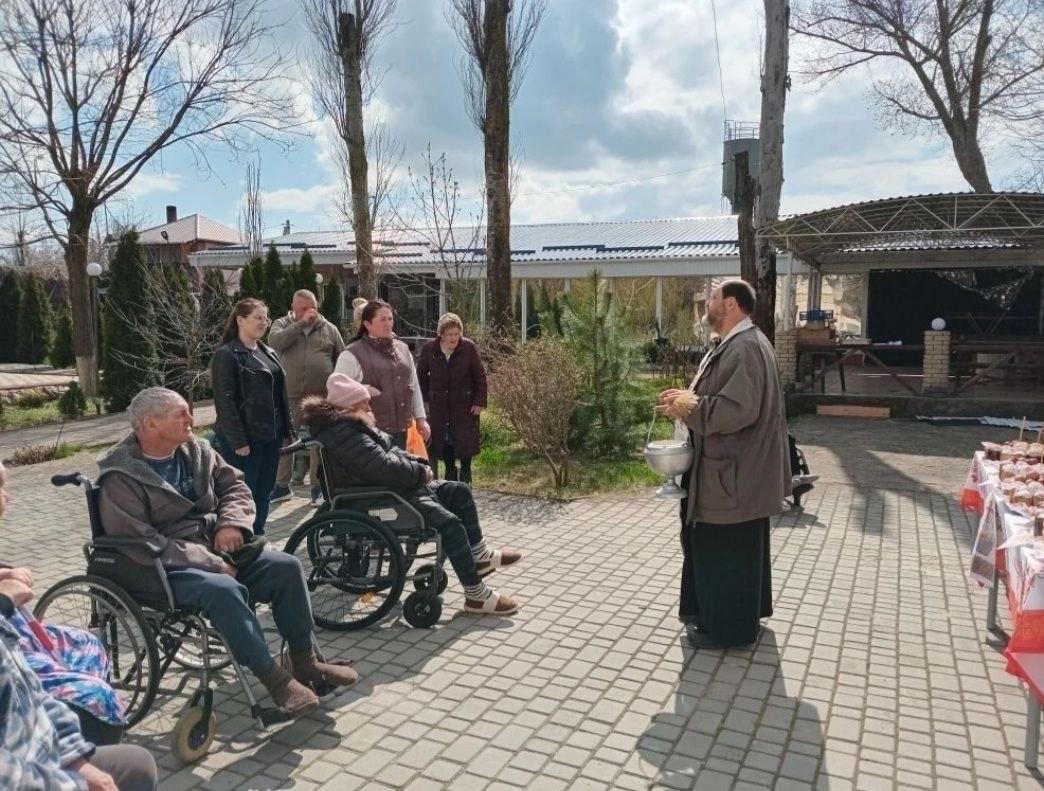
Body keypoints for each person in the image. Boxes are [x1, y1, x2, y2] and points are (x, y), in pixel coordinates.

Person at [96, 387, 358, 719]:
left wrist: (231, 524)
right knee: (224, 589)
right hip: (161, 568)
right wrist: (210, 562)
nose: (191, 419)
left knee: (287, 567)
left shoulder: (197, 451)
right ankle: (276, 681)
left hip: (219, 548)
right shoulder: (121, 477)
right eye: (181, 414)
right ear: (150, 424)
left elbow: (234, 486)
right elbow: (143, 542)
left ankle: (305, 662)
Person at [302, 373, 521, 615]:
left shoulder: (349, 428)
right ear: (350, 405)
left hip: (390, 490)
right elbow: (382, 467)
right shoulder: (345, 433)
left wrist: (419, 463)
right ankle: (476, 595)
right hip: (379, 498)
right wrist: (419, 473)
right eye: (363, 401)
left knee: (459, 491)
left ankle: (479, 556)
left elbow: (388, 454)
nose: (369, 404)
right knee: (451, 525)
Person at [0, 466, 158, 791]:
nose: (7, 497)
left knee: (87, 644)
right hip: (21, 765)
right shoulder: (123, 471)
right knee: (97, 696)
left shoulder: (198, 456)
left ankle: (89, 734)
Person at [657, 279, 790, 649]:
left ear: (731, 304)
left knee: (727, 554)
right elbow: (719, 395)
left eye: (713, 298)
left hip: (733, 477)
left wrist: (687, 407)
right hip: (730, 474)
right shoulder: (734, 343)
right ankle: (724, 617)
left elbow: (736, 409)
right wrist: (685, 398)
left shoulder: (746, 347)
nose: (707, 303)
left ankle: (727, 632)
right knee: (733, 551)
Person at [211, 298, 295, 535]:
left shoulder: (268, 351)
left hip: (272, 434)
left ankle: (258, 534)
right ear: (240, 320)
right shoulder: (227, 354)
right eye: (257, 317)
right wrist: (238, 440)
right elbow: (225, 401)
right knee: (244, 492)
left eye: (266, 318)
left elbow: (280, 394)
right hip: (246, 438)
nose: (263, 323)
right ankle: (241, 538)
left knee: (264, 490)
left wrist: (287, 429)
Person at [268, 289, 345, 507]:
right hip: (289, 394)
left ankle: (318, 488)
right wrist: (300, 324)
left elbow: (342, 357)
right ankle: (281, 486)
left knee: (318, 441)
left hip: (321, 396)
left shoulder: (329, 329)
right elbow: (274, 343)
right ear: (293, 308)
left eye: (313, 307)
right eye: (303, 308)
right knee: (286, 438)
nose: (310, 312)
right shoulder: (282, 324)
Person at [334, 300, 430, 450]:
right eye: (383, 319)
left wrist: (421, 418)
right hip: (368, 433)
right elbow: (337, 391)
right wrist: (364, 390)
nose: (388, 324)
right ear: (367, 324)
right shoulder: (351, 354)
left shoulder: (403, 350)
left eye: (390, 319)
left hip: (401, 431)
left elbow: (414, 385)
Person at [416, 313, 488, 485]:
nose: (454, 338)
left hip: (464, 404)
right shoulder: (430, 349)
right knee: (445, 439)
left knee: (464, 440)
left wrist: (479, 401)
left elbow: (480, 377)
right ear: (441, 334)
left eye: (457, 334)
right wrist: (424, 401)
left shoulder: (468, 348)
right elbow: (420, 377)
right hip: (439, 406)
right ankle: (450, 473)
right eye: (450, 334)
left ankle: (466, 474)